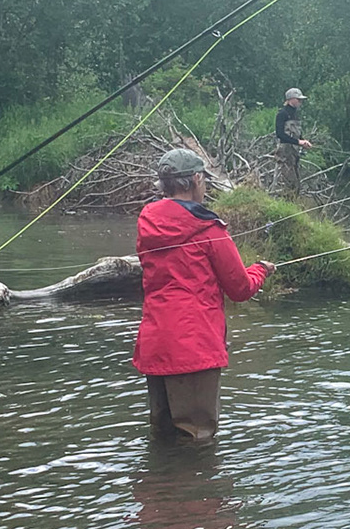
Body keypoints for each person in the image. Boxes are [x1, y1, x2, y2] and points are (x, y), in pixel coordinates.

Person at [133, 148, 273, 441]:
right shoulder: (209, 229)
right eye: (204, 180)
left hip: (155, 342)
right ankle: (198, 488)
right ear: (195, 179)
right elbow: (240, 289)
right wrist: (260, 269)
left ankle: (158, 486)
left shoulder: (147, 221)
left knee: (163, 437)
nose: (206, 186)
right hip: (194, 346)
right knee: (197, 439)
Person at [273, 86, 312, 197]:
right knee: (289, 182)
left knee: (297, 183)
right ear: (290, 99)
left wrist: (304, 141)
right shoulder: (282, 114)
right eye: (298, 99)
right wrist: (298, 142)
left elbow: (297, 133)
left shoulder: (295, 114)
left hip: (294, 151)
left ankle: (293, 202)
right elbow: (280, 135)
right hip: (285, 151)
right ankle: (287, 203)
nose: (300, 102)